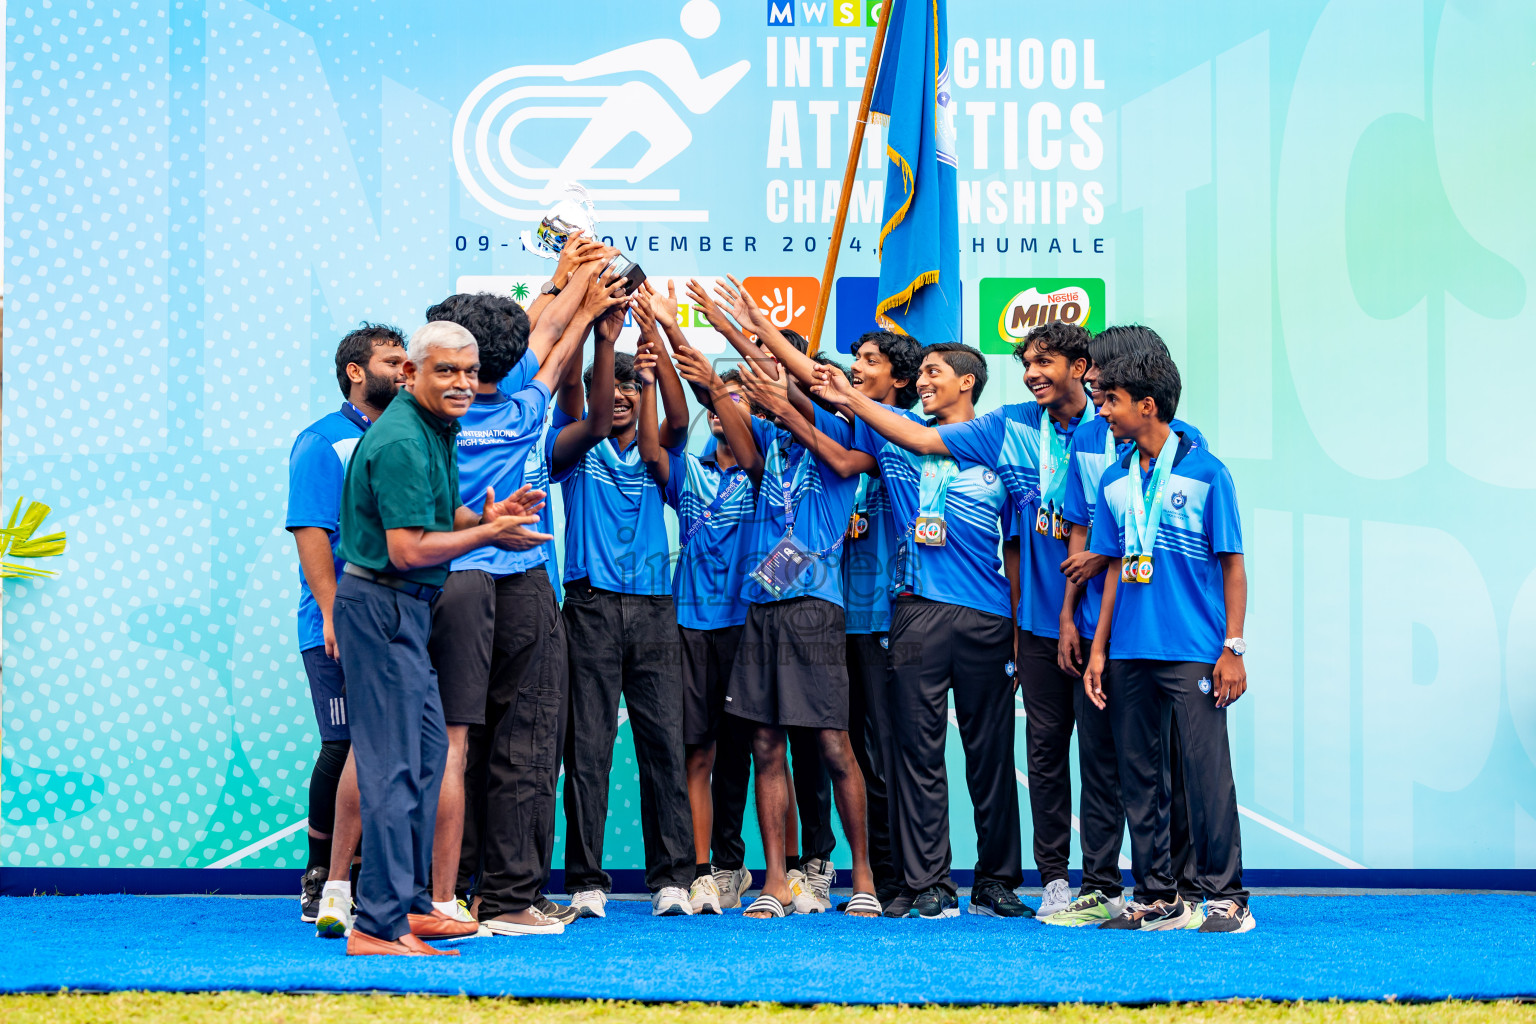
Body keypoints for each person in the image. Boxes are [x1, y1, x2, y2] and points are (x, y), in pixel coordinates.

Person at [333, 319, 550, 956]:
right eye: (445, 371)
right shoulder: (402, 438)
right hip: (382, 607)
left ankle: (411, 907)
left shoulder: (434, 426)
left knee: (427, 762)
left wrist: (485, 516)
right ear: (411, 375)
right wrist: (488, 537)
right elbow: (406, 550)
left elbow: (434, 518)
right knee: (393, 770)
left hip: (408, 611)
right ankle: (375, 927)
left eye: (469, 370)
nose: (462, 383)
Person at [423, 262, 625, 937]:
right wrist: (587, 296)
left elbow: (542, 329)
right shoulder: (522, 404)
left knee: (457, 740)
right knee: (529, 739)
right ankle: (509, 901)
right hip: (516, 575)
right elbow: (554, 338)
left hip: (446, 577)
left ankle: (447, 891)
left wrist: (564, 281)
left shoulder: (425, 414)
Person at [812, 346, 1029, 920]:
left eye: (935, 373)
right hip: (913, 614)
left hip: (986, 617)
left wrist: (1015, 628)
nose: (923, 383)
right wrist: (756, 332)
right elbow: (828, 386)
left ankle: (997, 882)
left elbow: (1015, 547)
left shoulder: (992, 441)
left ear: (968, 382)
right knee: (917, 754)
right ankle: (931, 881)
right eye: (922, 371)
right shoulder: (897, 431)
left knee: (990, 757)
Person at [1082, 349, 1253, 933]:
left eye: (1110, 401)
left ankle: (1226, 896)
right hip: (1128, 649)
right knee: (1140, 777)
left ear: (1146, 405)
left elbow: (1232, 564)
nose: (1101, 410)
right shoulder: (1113, 479)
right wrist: (1099, 649)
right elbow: (1110, 568)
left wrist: (1233, 647)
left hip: (1193, 650)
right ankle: (1159, 895)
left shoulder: (1207, 473)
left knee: (1205, 776)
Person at [1046, 324, 1209, 928]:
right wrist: (1068, 615)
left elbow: (1172, 543)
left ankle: (1185, 889)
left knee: (1172, 766)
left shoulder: (1182, 447)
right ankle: (1103, 887)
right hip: (1099, 628)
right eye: (1096, 386)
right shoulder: (1088, 442)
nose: (1095, 392)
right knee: (1105, 762)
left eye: (1102, 382)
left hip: (1159, 633)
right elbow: (1080, 530)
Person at [552, 282, 697, 918]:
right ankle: (585, 881)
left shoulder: (657, 459)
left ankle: (672, 878)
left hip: (654, 611)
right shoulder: (578, 452)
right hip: (588, 608)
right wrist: (603, 342)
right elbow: (577, 399)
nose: (616, 400)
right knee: (587, 748)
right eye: (605, 391)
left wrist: (654, 352)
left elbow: (679, 420)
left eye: (628, 393)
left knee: (664, 745)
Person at [724, 342, 880, 920]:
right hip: (762, 608)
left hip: (814, 608)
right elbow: (722, 401)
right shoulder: (773, 446)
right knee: (765, 743)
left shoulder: (843, 438)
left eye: (783, 370)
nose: (771, 378)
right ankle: (775, 881)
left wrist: (771, 370)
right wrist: (682, 339)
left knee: (833, 744)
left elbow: (793, 401)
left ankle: (861, 875)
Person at [635, 333, 765, 914]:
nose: (721, 412)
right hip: (686, 626)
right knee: (697, 754)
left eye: (734, 402)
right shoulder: (688, 470)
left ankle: (748, 869)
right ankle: (700, 872)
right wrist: (650, 360)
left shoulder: (765, 473)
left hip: (747, 627)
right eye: (716, 404)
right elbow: (657, 444)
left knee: (750, 751)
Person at [286, 322, 405, 937]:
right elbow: (310, 532)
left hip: (399, 618)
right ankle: (319, 878)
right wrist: (333, 613)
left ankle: (363, 883)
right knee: (344, 745)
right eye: (392, 359)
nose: (404, 367)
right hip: (336, 622)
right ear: (357, 372)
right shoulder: (321, 442)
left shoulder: (407, 434)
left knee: (386, 750)